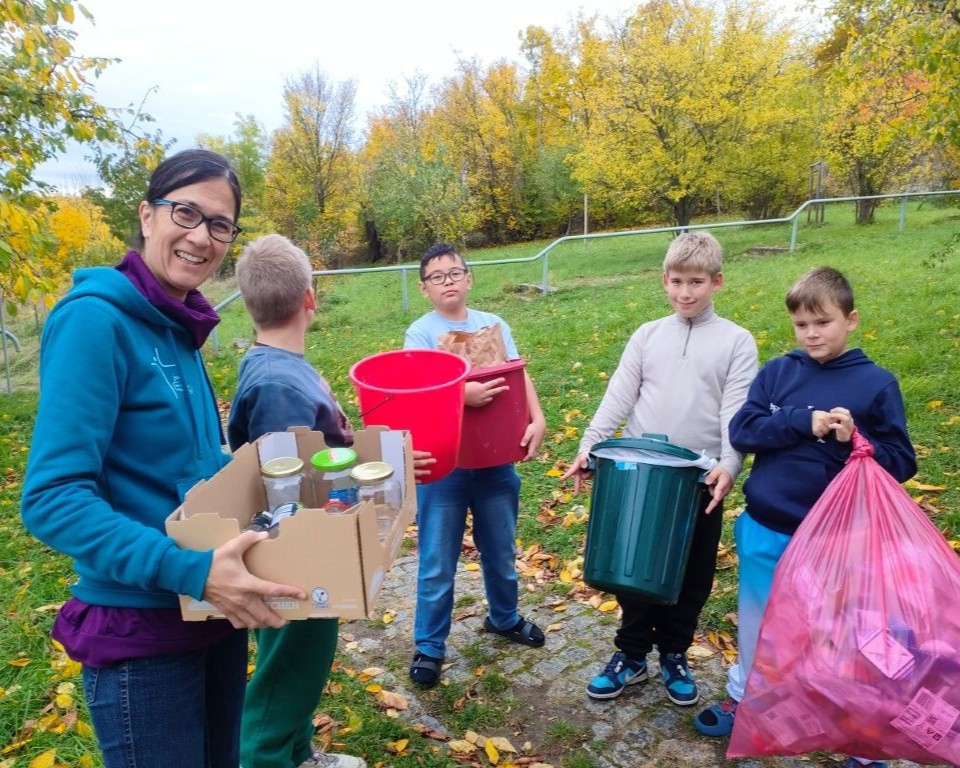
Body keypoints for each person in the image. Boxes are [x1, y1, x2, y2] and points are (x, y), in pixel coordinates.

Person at [20, 149, 306, 768]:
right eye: (186, 212)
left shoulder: (179, 323)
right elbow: (51, 498)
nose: (201, 237)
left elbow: (188, 471)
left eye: (220, 224)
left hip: (211, 611)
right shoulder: (95, 322)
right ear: (147, 215)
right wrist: (189, 569)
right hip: (144, 631)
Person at [693, 267, 917, 768]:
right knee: (759, 624)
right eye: (801, 325)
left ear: (850, 320)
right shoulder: (779, 372)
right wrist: (798, 421)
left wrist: (854, 441)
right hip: (767, 529)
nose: (812, 334)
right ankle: (746, 698)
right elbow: (744, 430)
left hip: (838, 539)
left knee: (843, 634)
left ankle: (860, 732)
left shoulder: (876, 385)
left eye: (823, 322)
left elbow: (901, 463)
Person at [561, 231, 758, 707]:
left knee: (693, 572)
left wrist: (730, 466)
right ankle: (631, 654)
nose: (685, 293)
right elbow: (618, 396)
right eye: (676, 282)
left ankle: (674, 652)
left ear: (717, 281)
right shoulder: (648, 335)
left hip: (699, 478)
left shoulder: (736, 342)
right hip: (641, 474)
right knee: (632, 561)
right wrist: (589, 446)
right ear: (664, 279)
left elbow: (735, 414)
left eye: (696, 282)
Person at [228, 234, 365, 768]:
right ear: (310, 298)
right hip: (296, 554)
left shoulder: (281, 365)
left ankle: (299, 753)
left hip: (314, 540)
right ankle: (266, 758)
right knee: (288, 668)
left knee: (303, 662)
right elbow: (283, 486)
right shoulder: (276, 384)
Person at [403, 242, 548, 688]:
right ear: (424, 288)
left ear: (469, 279)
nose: (447, 282)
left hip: (495, 460)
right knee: (437, 562)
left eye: (454, 273)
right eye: (437, 277)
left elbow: (518, 373)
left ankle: (503, 617)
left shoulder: (493, 324)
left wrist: (538, 418)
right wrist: (459, 394)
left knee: (501, 552)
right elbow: (414, 393)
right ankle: (430, 645)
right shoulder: (420, 334)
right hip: (444, 465)